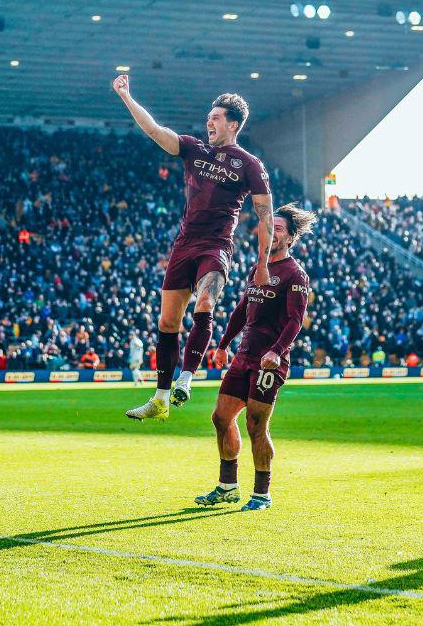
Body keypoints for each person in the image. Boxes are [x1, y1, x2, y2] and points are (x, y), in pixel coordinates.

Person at [114, 74, 273, 422]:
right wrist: (126, 96)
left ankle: (185, 379)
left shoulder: (249, 165)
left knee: (205, 302)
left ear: (233, 124)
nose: (208, 123)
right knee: (167, 321)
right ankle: (159, 399)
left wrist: (263, 263)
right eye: (208, 117)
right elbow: (154, 130)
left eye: (215, 118)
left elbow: (266, 215)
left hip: (216, 246)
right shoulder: (193, 149)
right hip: (184, 245)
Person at [194, 203, 316, 512]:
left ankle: (262, 494)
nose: (271, 233)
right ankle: (227, 487)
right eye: (268, 227)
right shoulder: (257, 269)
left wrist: (277, 351)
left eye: (278, 229)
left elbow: (295, 320)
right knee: (221, 417)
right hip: (244, 356)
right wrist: (223, 345)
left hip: (269, 362)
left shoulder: (295, 274)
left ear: (290, 238)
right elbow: (241, 311)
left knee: (256, 424)